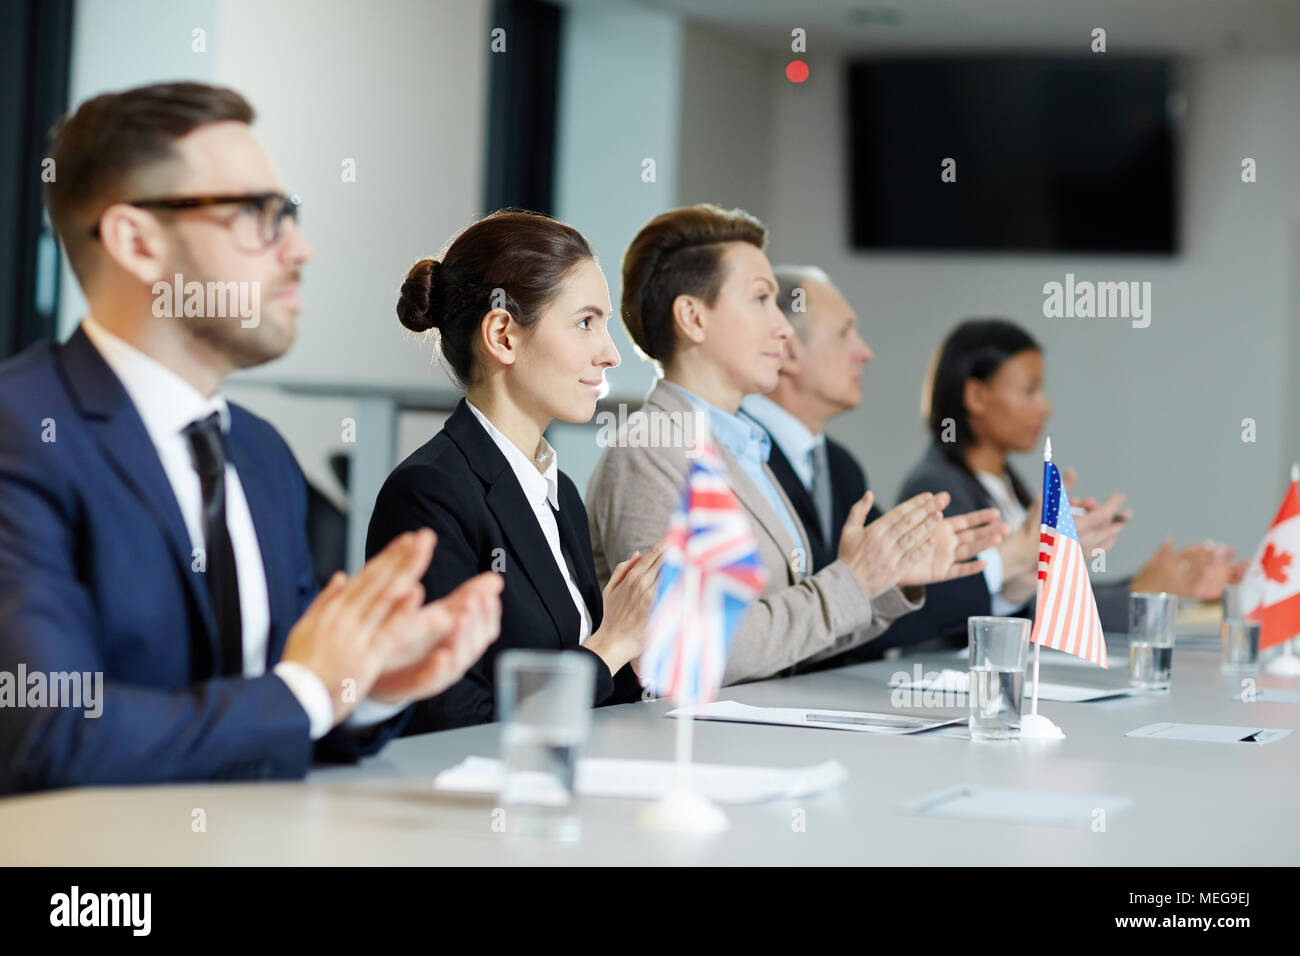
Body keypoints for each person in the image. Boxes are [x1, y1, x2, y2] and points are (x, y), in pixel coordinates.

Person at [0, 82, 502, 794]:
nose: (299, 248)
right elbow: (47, 732)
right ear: (136, 241)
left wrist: (370, 687)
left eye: (288, 213)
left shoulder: (260, 454)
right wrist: (309, 692)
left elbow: (281, 709)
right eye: (256, 215)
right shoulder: (20, 433)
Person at [586, 205, 1005, 684]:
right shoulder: (650, 453)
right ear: (693, 318)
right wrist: (854, 579)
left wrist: (887, 579)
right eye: (761, 299)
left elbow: (792, 639)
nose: (783, 327)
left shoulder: (743, 448)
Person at [367, 210, 667, 733]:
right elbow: (451, 718)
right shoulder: (429, 494)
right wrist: (610, 643)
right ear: (503, 335)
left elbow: (589, 694)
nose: (611, 354)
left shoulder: (561, 494)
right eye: (585, 323)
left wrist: (636, 657)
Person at [895, 317, 1241, 648]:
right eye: (1030, 391)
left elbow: (1033, 593)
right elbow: (971, 612)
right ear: (976, 396)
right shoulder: (937, 489)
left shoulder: (1004, 484)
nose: (1045, 408)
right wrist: (1140, 592)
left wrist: (1149, 584)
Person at [739, 266, 996, 663]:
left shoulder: (840, 466)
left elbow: (870, 596)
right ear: (787, 350)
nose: (865, 352)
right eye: (844, 333)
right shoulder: (734, 455)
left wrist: (903, 567)